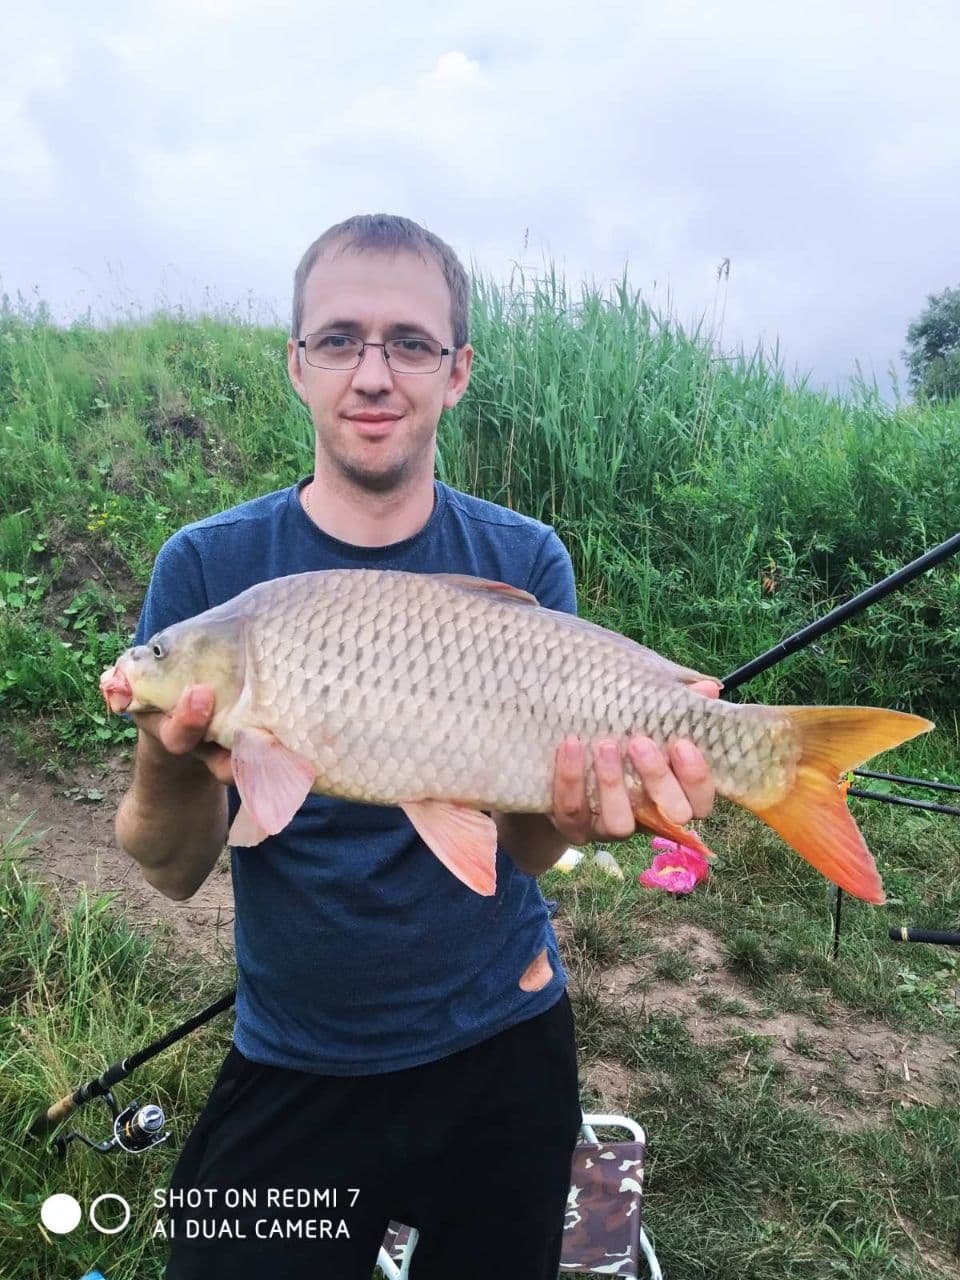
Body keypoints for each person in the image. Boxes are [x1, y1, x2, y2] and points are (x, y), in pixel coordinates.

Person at [115, 213, 719, 1280]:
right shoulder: (210, 570)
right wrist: (171, 746)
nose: (374, 373)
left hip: (503, 1036)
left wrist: (579, 805)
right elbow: (169, 870)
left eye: (411, 342)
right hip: (297, 1052)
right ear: (297, 364)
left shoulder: (523, 558)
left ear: (458, 372)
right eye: (340, 338)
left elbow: (521, 849)